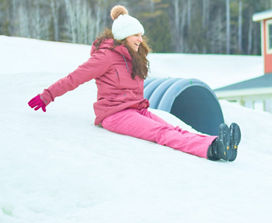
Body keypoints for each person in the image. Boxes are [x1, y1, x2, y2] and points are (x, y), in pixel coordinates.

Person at [26, 5, 241, 162]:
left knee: (171, 127)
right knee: (161, 133)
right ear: (124, 36)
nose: (140, 39)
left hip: (137, 110)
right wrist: (47, 95)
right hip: (114, 114)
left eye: (141, 34)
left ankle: (219, 143)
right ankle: (212, 149)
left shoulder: (133, 57)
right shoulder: (105, 57)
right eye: (136, 35)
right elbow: (74, 78)